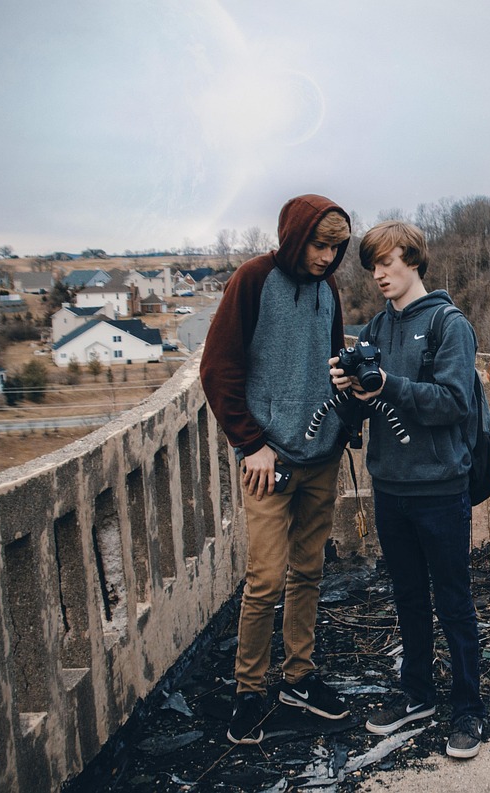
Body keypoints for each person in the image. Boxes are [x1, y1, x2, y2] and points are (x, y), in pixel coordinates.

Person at [330, 220, 488, 759]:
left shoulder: (449, 324)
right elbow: (370, 407)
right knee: (408, 597)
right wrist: (350, 391)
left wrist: (386, 385)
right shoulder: (374, 328)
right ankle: (417, 693)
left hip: (441, 487)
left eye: (386, 262)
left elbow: (453, 403)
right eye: (371, 265)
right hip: (390, 485)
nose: (378, 274)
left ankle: (468, 709)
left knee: (454, 599)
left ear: (413, 260)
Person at [200, 194, 354, 744]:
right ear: (295, 236)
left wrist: (346, 409)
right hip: (269, 460)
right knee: (265, 579)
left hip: (321, 457)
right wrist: (251, 444)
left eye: (336, 248)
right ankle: (248, 690)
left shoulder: (328, 288)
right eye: (319, 244)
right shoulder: (252, 279)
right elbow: (217, 368)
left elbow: (333, 360)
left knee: (309, 572)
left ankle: (299, 677)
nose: (327, 257)